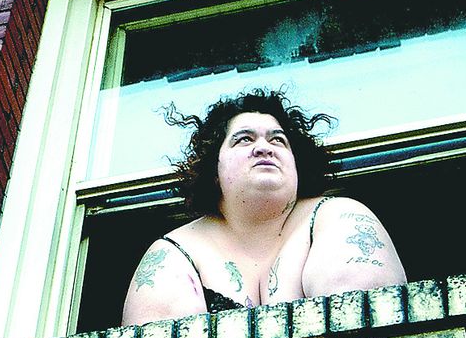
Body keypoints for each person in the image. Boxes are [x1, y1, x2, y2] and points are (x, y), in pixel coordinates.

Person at [122, 89, 405, 324]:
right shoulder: (175, 251)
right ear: (213, 169)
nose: (264, 148)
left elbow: (366, 329)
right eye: (244, 139)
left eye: (277, 140)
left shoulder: (337, 217)